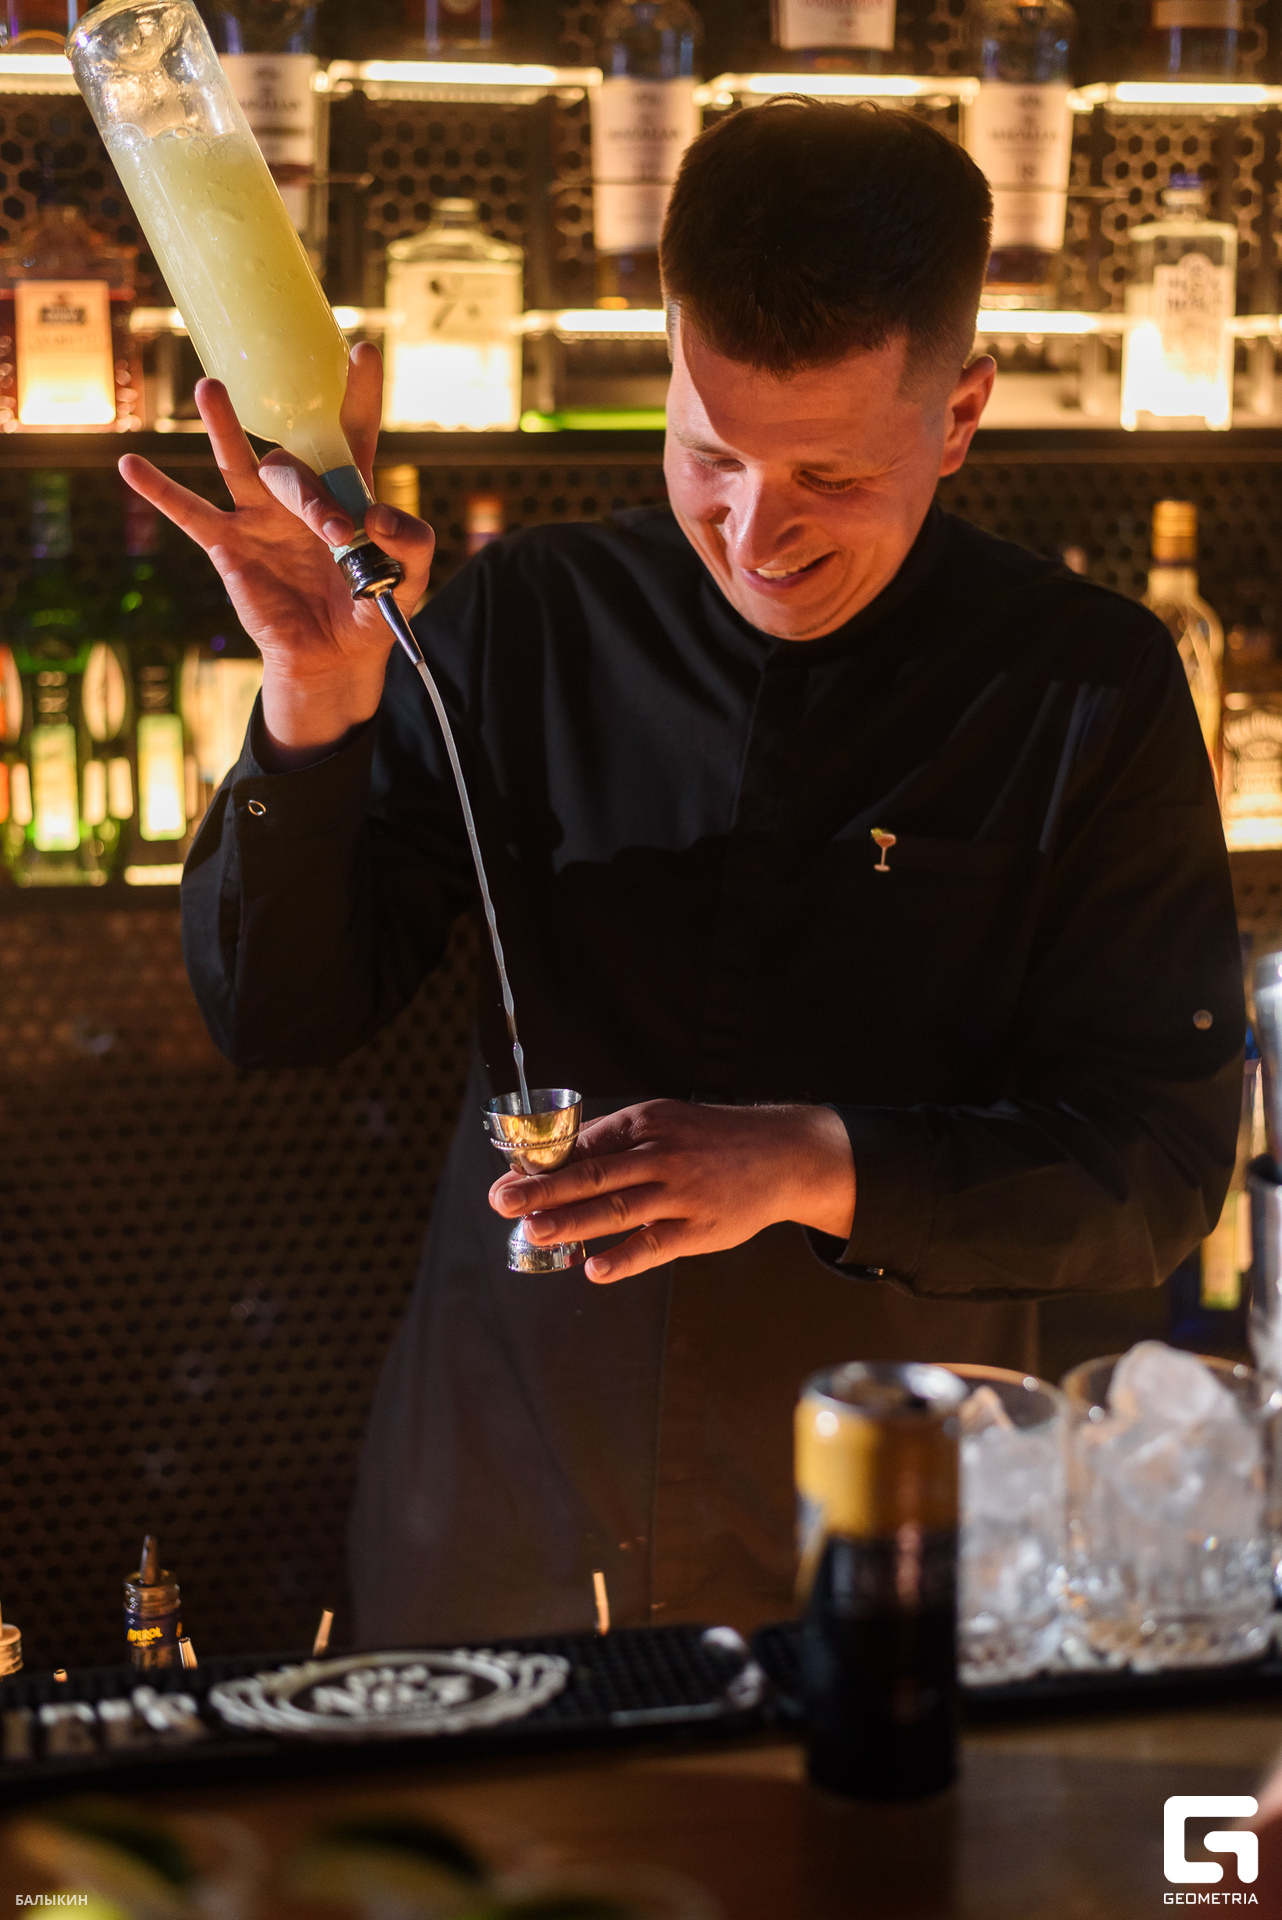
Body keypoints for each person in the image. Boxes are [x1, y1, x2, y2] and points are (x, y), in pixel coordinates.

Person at [123, 102, 1244, 1644]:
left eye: (829, 475)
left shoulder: (1086, 685)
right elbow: (277, 1012)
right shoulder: (525, 619)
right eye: (709, 453)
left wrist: (809, 1162)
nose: (753, 531)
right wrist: (312, 702)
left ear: (960, 413)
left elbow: (1156, 1171)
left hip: (890, 1530)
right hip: (503, 1503)